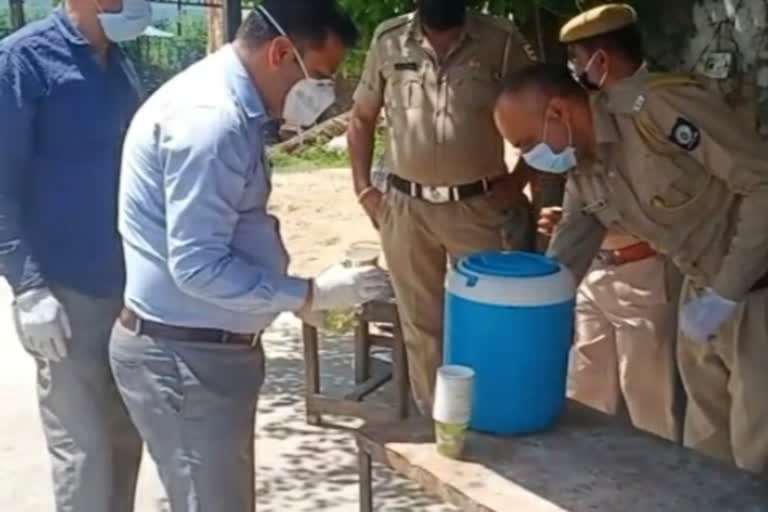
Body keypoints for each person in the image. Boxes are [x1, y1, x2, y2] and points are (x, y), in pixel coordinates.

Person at [112, 1, 389, 510]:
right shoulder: (211, 122)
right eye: (320, 77)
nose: (322, 97)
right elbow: (196, 266)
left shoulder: (231, 109)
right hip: (184, 358)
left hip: (206, 350)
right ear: (281, 52)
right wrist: (305, 293)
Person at [494, 19, 768, 476]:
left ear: (558, 112)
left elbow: (762, 183)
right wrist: (517, 321)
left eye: (525, 142)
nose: (527, 157)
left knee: (758, 454)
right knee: (706, 452)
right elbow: (565, 260)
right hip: (701, 295)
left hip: (756, 292)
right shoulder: (586, 167)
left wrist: (728, 291)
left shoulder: (657, 111)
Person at [347, 0, 540, 413]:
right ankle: (441, 423)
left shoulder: (500, 41)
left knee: (487, 320)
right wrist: (365, 190)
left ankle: (490, 418)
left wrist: (520, 178)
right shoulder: (389, 40)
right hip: (406, 210)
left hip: (478, 209)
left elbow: (540, 115)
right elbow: (361, 118)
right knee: (422, 327)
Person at [0, 0, 148, 509]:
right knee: (82, 451)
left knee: (126, 438)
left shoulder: (120, 65)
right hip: (65, 292)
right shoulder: (23, 62)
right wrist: (28, 286)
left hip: (128, 286)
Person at [531, 7, 682, 441]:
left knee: (651, 404)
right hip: (595, 272)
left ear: (602, 57)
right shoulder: (591, 112)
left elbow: (664, 200)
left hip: (643, 271)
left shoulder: (657, 111)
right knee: (586, 394)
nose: (578, 70)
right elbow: (597, 194)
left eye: (580, 59)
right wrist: (574, 222)